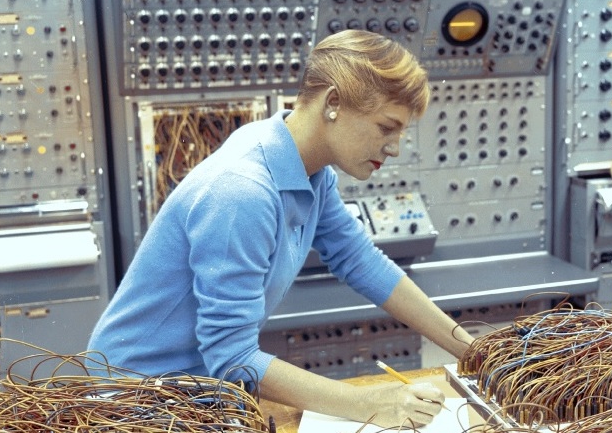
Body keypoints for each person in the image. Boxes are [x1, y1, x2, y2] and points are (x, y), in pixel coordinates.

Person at [88, 30, 474, 428]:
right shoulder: (242, 190)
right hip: (132, 400)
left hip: (196, 393)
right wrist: (372, 405)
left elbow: (361, 261)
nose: (394, 147)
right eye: (386, 127)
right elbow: (232, 357)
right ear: (334, 102)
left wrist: (473, 350)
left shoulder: (309, 169)